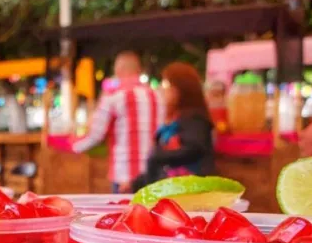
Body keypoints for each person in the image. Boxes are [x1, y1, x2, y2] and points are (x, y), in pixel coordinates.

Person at [72, 51, 165, 192]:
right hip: (155, 173)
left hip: (125, 176)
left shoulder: (113, 97)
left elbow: (96, 135)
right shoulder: (158, 95)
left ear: (118, 70)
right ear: (138, 70)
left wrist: (73, 146)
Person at [129, 62, 216, 191]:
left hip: (188, 192)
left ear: (181, 89)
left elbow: (194, 149)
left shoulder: (195, 120)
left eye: (166, 85)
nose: (163, 90)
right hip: (165, 190)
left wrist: (158, 156)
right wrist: (136, 183)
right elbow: (160, 167)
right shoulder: (174, 119)